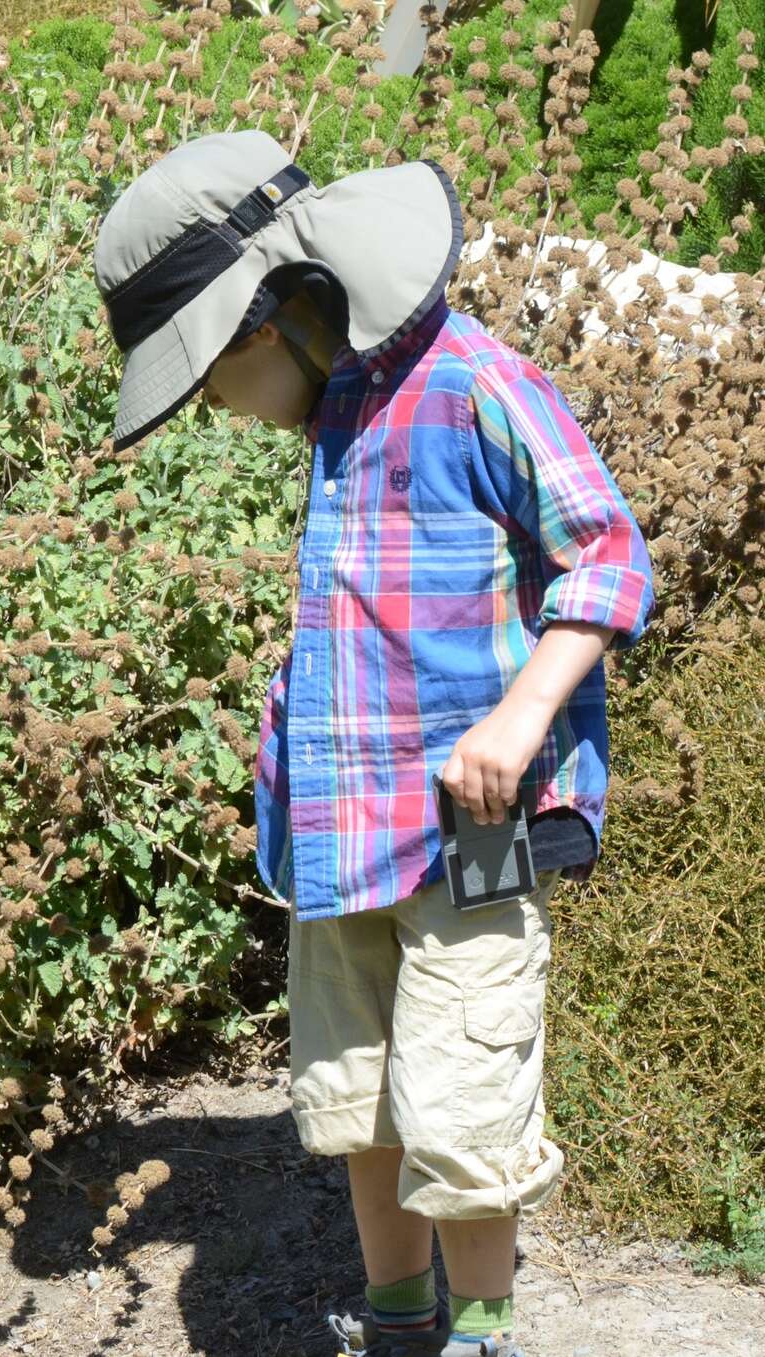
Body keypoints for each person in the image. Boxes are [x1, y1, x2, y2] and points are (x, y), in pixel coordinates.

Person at [90, 130, 655, 1356]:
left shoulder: (468, 380)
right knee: (357, 1096)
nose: (219, 414)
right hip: (341, 833)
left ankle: (483, 1334)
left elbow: (607, 557)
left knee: (459, 1097)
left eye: (207, 382)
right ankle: (398, 1325)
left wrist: (517, 721)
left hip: (472, 833)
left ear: (267, 321)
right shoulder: (337, 412)